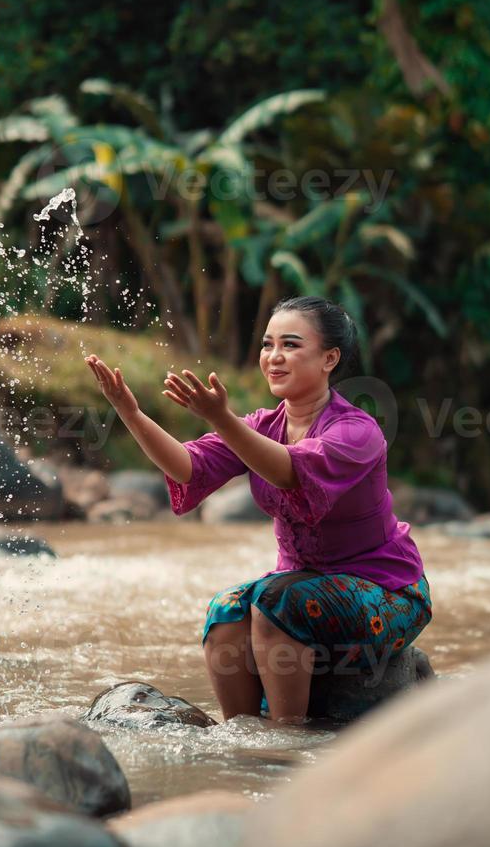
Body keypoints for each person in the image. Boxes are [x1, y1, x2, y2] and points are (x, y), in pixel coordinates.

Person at [85, 296, 431, 726]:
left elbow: (289, 471)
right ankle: (243, 738)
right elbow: (187, 468)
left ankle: (286, 739)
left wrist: (221, 419)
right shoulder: (261, 426)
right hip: (303, 587)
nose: (274, 357)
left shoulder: (356, 431)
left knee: (276, 603)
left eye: (290, 345)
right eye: (268, 345)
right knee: (226, 609)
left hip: (388, 589)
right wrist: (129, 412)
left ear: (330, 358)